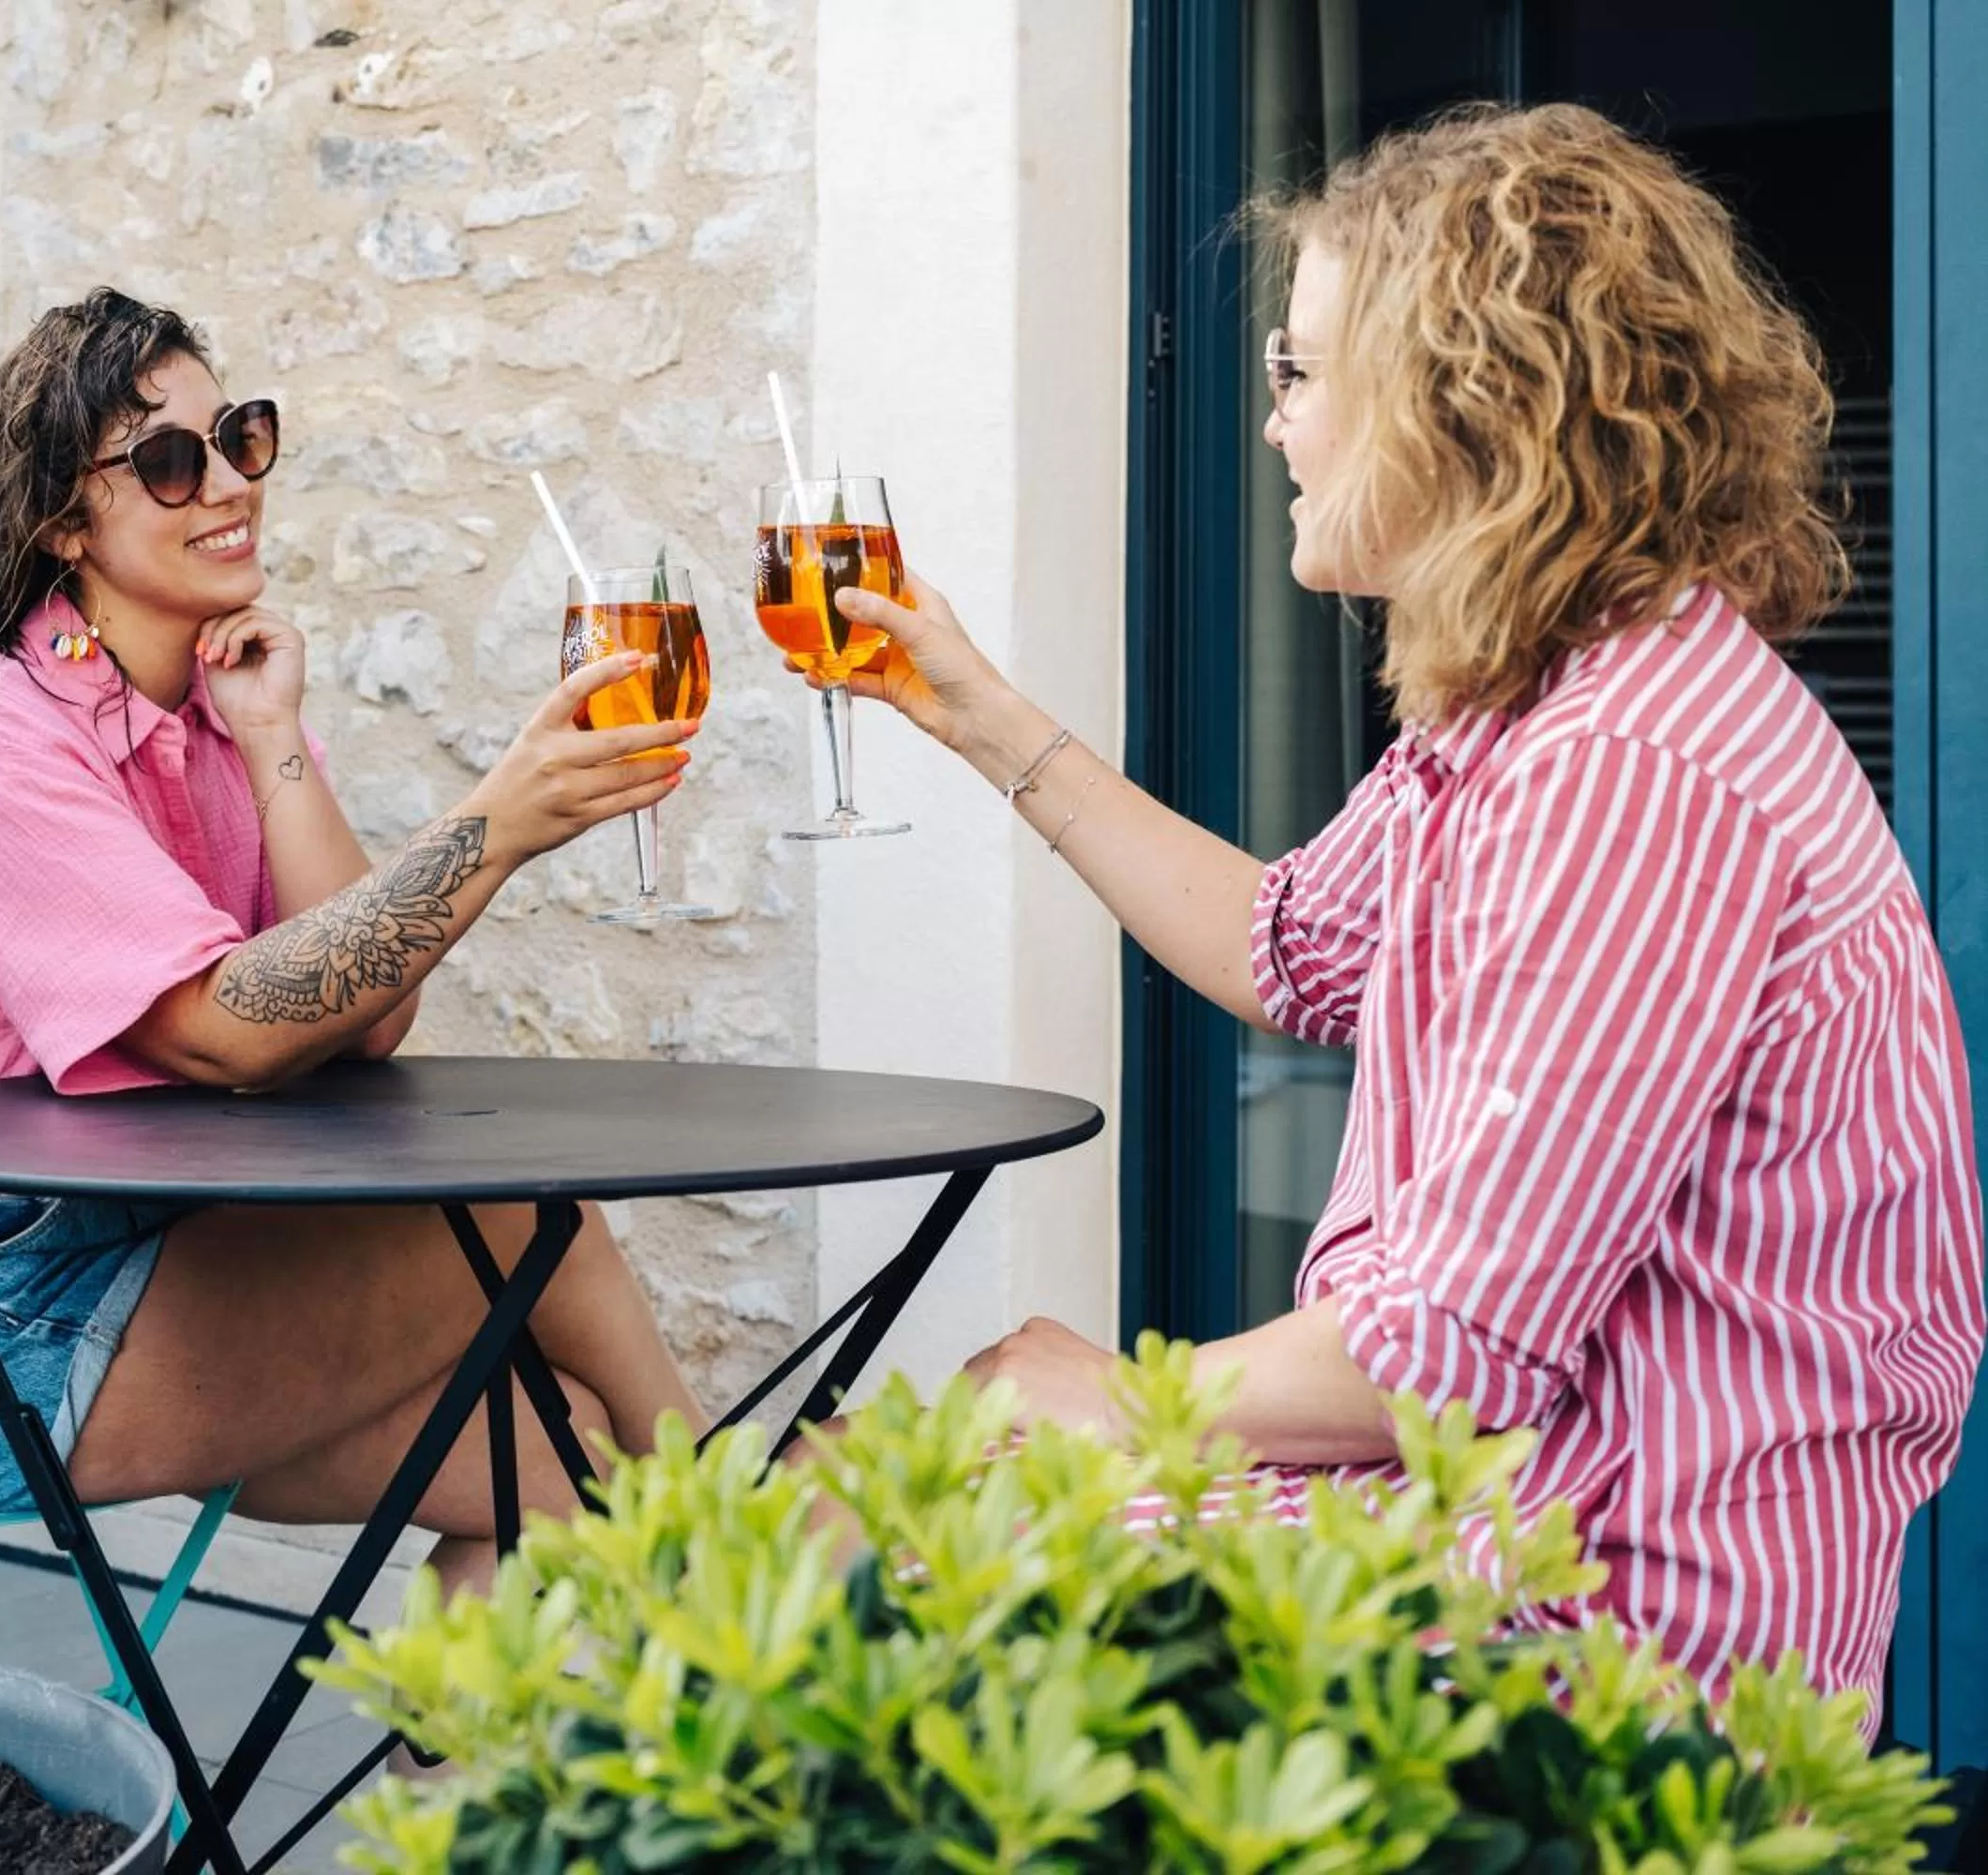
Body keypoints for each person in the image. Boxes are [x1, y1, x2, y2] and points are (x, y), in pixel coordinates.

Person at [830, 103, 1984, 1714]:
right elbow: (1293, 948)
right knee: (870, 1511)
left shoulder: (1630, 777)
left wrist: (1109, 1392)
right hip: (1477, 1517)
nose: (1272, 428)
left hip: (1601, 1622)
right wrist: (977, 716)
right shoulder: (1531, 709)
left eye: (1300, 376)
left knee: (867, 1536)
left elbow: (1439, 1353)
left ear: (1466, 403)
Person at [0, 289, 705, 1602]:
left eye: (240, 438)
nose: (227, 482)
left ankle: (462, 1786)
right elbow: (224, 1027)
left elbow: (369, 1016)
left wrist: (274, 734)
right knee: (528, 1218)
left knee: (567, 1460)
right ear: (66, 521)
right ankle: (752, 1550)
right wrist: (496, 826)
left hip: (192, 1250)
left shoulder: (215, 714)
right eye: (169, 461)